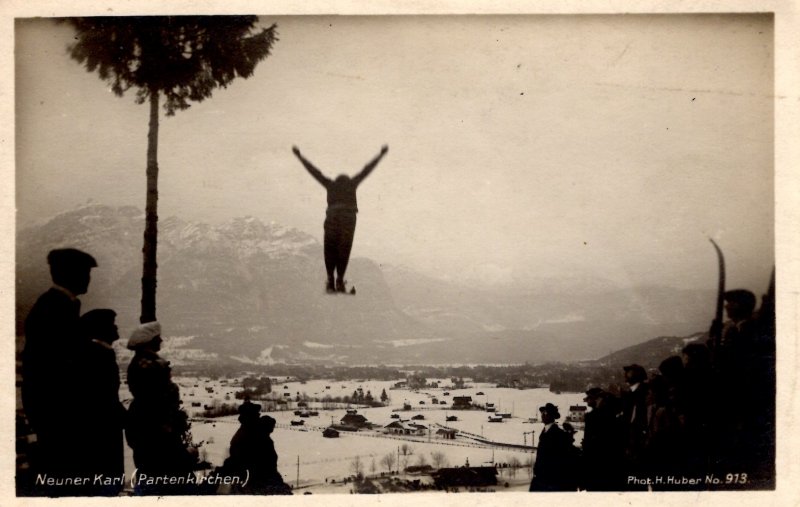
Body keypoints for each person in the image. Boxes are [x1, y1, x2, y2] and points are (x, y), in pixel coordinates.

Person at [21, 248, 97, 495]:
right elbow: (58, 367)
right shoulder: (56, 308)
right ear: (70, 274)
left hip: (56, 410)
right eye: (85, 273)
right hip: (58, 410)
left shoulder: (59, 305)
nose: (88, 279)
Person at [292, 145, 389, 293]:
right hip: (348, 217)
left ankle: (330, 280)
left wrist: (299, 156)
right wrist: (381, 154)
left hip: (332, 216)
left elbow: (314, 171)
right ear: (347, 180)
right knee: (344, 248)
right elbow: (367, 169)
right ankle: (339, 280)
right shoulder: (352, 184)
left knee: (330, 247)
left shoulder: (330, 185)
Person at [125, 322, 199, 495]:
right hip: (161, 456)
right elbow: (155, 401)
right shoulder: (147, 365)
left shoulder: (146, 363)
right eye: (157, 338)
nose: (161, 341)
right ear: (149, 341)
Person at [77, 309, 126, 495]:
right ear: (100, 329)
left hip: (101, 427)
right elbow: (105, 396)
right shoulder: (99, 355)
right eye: (111, 324)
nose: (116, 327)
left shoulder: (95, 353)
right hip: (103, 428)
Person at [222, 401, 292, 495]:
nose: (258, 417)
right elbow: (261, 466)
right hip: (256, 484)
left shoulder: (252, 433)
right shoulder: (250, 435)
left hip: (257, 482)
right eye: (256, 415)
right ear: (249, 418)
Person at [529, 403, 576, 491]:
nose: (542, 415)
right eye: (542, 413)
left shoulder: (558, 433)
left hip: (551, 480)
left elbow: (561, 457)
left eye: (545, 413)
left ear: (551, 416)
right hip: (541, 477)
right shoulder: (545, 431)